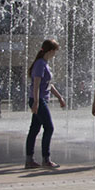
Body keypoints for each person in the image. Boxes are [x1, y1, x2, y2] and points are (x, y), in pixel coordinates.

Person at [25, 39, 66, 169]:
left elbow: (48, 84)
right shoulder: (40, 64)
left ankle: (29, 160)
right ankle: (45, 159)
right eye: (55, 51)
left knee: (34, 129)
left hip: (40, 99)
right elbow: (36, 83)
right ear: (50, 51)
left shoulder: (44, 63)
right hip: (38, 99)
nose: (55, 54)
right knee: (49, 128)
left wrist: (59, 97)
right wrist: (36, 102)